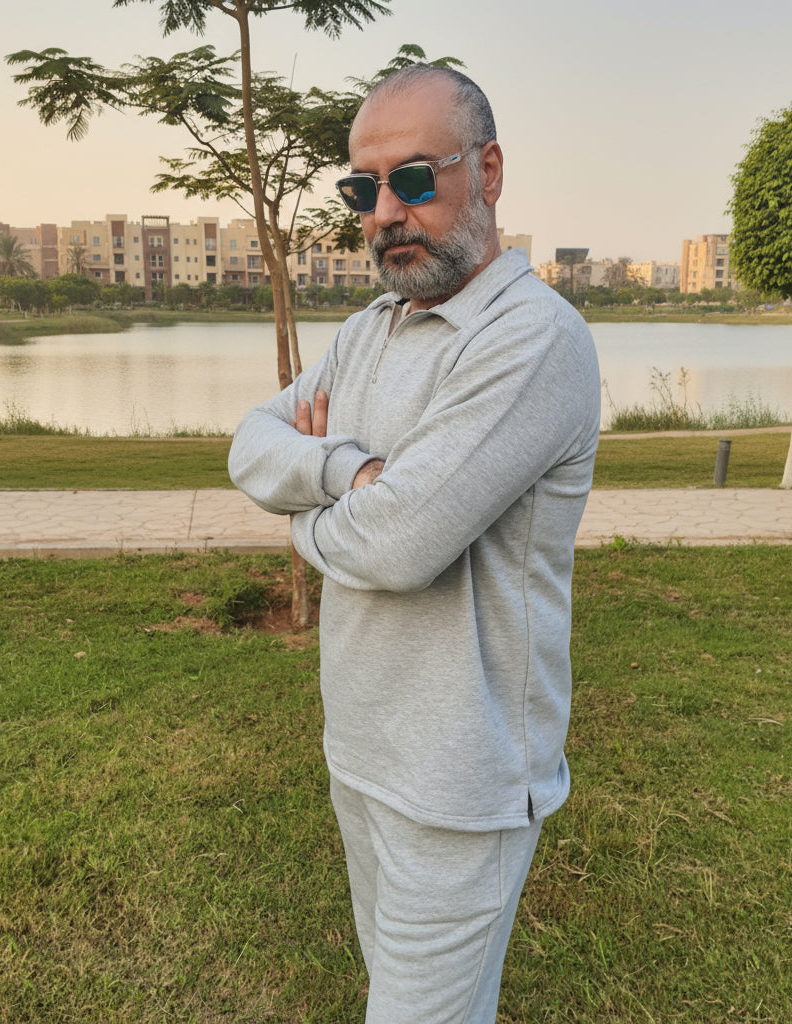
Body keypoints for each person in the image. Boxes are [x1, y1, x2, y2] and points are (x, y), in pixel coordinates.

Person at [228, 64, 600, 1024]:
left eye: (416, 181)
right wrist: (346, 473)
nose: (385, 211)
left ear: (490, 169)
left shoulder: (533, 340)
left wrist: (306, 512)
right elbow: (249, 446)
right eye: (363, 188)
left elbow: (400, 549)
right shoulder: (370, 330)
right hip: (360, 745)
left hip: (459, 783)